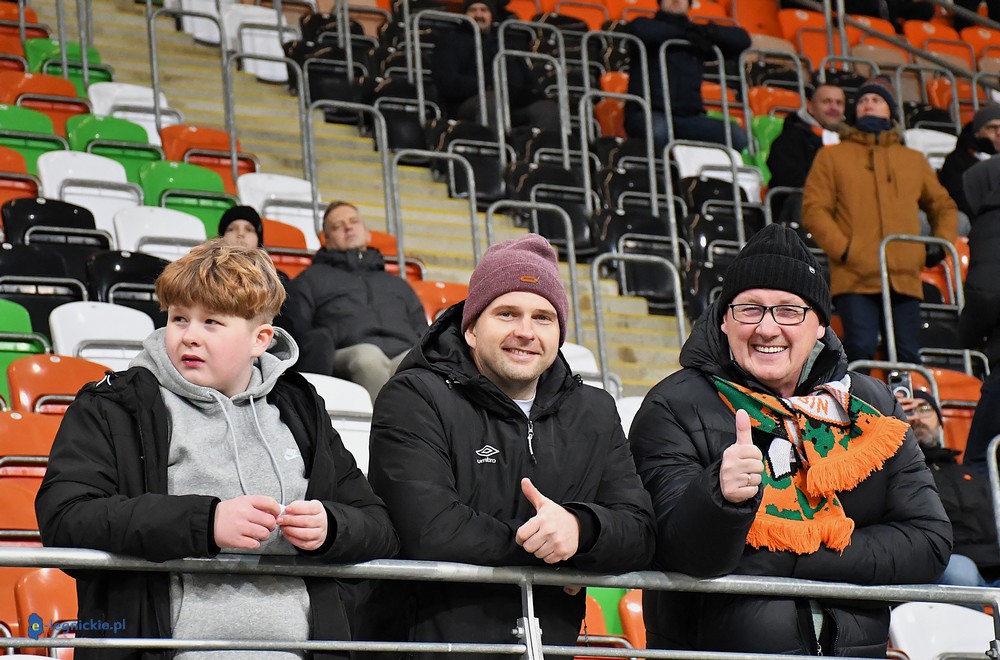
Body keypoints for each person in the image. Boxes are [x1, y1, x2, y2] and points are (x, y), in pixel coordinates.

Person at [35, 239, 400, 660]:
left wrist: (331, 527)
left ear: (260, 339)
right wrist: (205, 522)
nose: (189, 336)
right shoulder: (113, 404)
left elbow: (379, 527)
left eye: (211, 322)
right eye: (179, 318)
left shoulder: (302, 408)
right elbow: (67, 519)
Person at [628, 223, 952, 656]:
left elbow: (928, 543)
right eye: (749, 309)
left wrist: (792, 552)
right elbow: (675, 551)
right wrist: (718, 498)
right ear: (724, 319)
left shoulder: (872, 408)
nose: (767, 328)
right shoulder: (673, 405)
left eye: (789, 311)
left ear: (820, 324)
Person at [361, 233, 656, 658]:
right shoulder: (414, 396)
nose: (525, 332)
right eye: (506, 313)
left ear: (559, 333)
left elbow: (640, 531)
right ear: (471, 329)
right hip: (428, 647)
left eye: (543, 317)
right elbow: (429, 529)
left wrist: (580, 529)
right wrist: (552, 549)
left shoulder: (594, 410)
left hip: (547, 648)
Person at [802, 76, 959, 365]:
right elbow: (814, 209)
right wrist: (845, 250)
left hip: (905, 274)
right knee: (859, 351)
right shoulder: (832, 157)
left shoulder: (913, 159)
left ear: (891, 111)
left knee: (907, 355)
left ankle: (902, 398)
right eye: (863, 100)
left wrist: (938, 245)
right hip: (855, 276)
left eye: (876, 100)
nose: (868, 104)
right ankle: (858, 397)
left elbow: (944, 206)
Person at [283, 201, 428, 402]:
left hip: (401, 352)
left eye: (354, 221)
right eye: (338, 226)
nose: (348, 227)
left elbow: (422, 330)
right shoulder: (309, 280)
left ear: (368, 233)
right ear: (326, 240)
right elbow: (300, 336)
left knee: (412, 363)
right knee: (368, 358)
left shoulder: (398, 284)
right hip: (345, 355)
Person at [896, 389, 1000, 588]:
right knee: (961, 572)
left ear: (940, 422)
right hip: (946, 563)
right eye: (907, 411)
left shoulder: (970, 474)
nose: (917, 418)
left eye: (925, 409)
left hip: (992, 564)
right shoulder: (898, 472)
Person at [624, 0, 751, 153]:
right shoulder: (646, 25)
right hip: (648, 113)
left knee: (736, 135)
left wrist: (705, 31)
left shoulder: (697, 35)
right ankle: (660, 168)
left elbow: (743, 39)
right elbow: (641, 30)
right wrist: (687, 32)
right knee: (658, 131)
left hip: (690, 117)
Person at [431, 0, 559, 131]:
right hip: (467, 104)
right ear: (465, 15)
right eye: (473, 10)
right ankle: (492, 143)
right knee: (491, 101)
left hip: (512, 105)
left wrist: (532, 95)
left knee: (546, 109)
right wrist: (484, 85)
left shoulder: (505, 43)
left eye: (484, 10)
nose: (478, 15)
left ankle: (534, 143)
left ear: (491, 15)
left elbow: (530, 81)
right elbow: (446, 81)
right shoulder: (451, 42)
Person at [766, 83, 846, 192]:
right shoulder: (790, 139)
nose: (834, 107)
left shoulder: (851, 141)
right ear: (811, 107)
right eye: (826, 102)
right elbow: (789, 180)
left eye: (839, 103)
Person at [939, 104, 1000, 218]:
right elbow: (959, 202)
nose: (999, 133)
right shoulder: (957, 161)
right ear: (976, 133)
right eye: (992, 128)